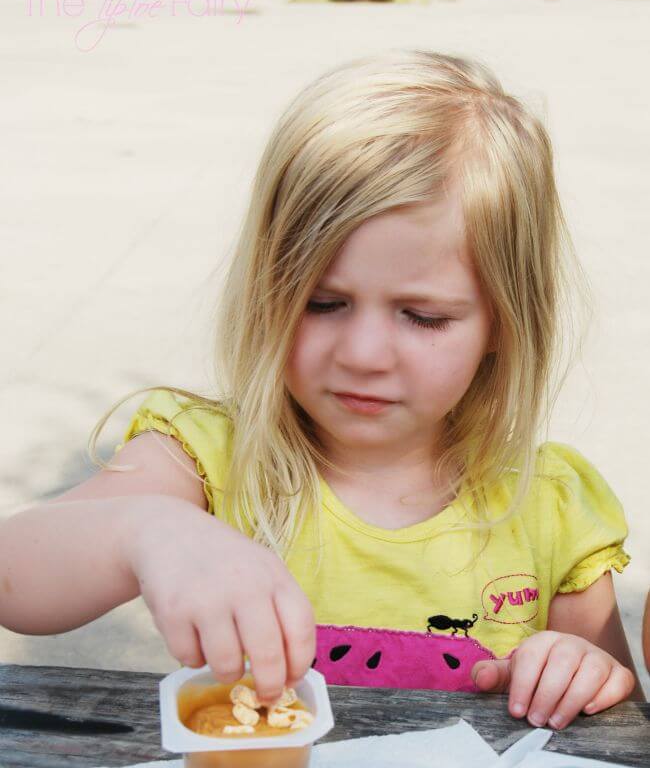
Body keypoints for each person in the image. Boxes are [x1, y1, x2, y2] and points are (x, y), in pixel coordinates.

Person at [0, 49, 644, 729]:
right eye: (321, 302)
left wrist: (579, 671)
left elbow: (613, 731)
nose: (363, 355)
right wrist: (144, 528)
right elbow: (14, 581)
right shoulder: (205, 458)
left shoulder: (552, 507)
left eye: (422, 316)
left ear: (504, 323)